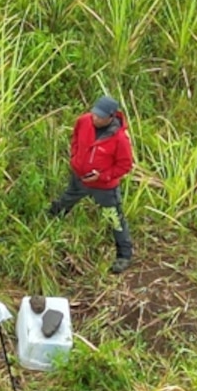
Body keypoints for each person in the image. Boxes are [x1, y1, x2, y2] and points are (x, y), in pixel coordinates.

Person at [49, 95, 136, 270]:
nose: (95, 118)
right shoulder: (84, 121)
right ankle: (47, 224)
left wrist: (102, 176)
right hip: (78, 177)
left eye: (100, 117)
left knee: (114, 219)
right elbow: (75, 140)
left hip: (104, 187)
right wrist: (75, 159)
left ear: (111, 117)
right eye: (94, 114)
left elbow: (125, 165)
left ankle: (124, 256)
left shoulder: (120, 139)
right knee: (65, 201)